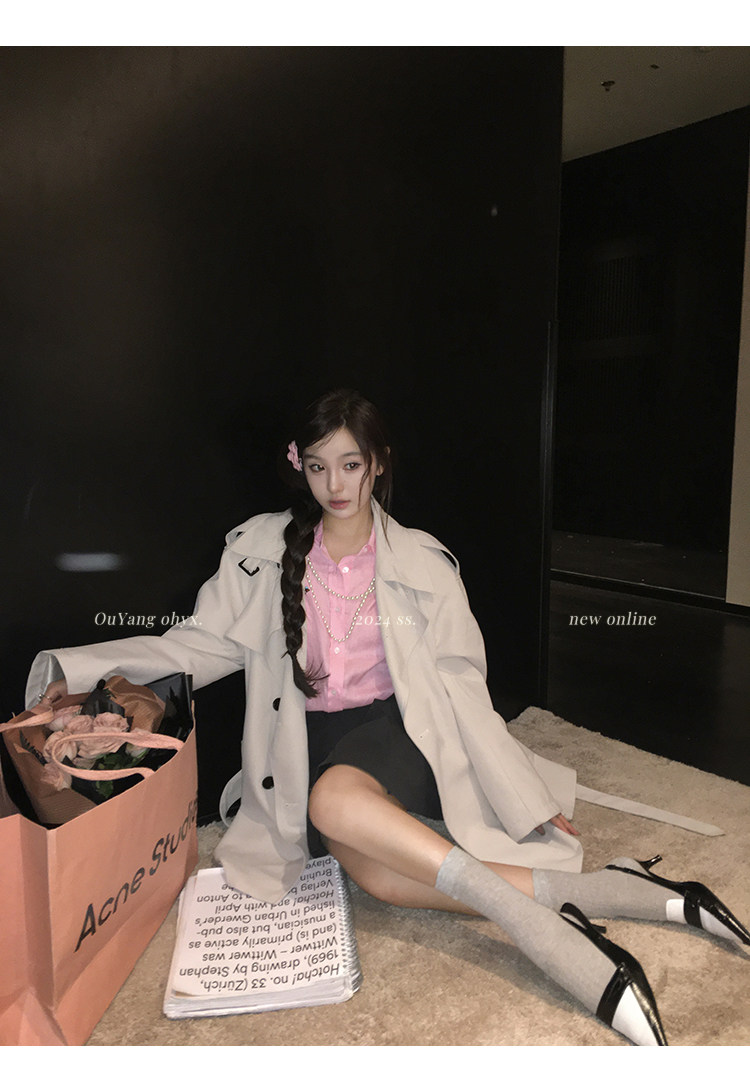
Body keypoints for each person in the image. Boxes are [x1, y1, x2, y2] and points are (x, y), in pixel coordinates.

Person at [30, 388, 748, 1047]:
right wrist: (75, 673)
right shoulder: (259, 551)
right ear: (299, 465)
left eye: (351, 465)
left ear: (377, 464)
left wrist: (521, 792)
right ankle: (627, 893)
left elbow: (462, 686)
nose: (336, 485)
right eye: (319, 467)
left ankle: (548, 938)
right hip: (299, 744)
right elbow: (197, 645)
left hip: (398, 731)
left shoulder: (423, 564)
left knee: (336, 802)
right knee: (375, 876)